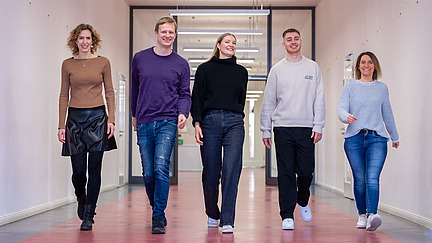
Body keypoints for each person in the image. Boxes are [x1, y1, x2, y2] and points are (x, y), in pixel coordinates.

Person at [260, 28, 325, 230]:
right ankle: (287, 214)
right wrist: (265, 129)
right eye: (289, 39)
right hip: (283, 127)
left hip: (306, 127)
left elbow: (319, 99)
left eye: (296, 38)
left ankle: (303, 200)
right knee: (286, 172)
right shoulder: (277, 70)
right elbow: (268, 101)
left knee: (306, 172)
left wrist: (319, 124)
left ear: (301, 41)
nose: (293, 42)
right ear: (283, 44)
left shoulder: (313, 68)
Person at [131, 16, 191, 234]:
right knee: (148, 173)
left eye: (171, 32)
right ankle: (156, 205)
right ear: (156, 33)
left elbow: (185, 94)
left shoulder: (181, 64)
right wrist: (134, 116)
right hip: (145, 121)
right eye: (164, 32)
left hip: (168, 120)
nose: (167, 36)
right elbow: (135, 90)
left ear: (175, 35)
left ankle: (158, 215)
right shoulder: (140, 58)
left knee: (160, 167)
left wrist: (183, 113)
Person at [57, 23, 117, 231]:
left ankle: (89, 214)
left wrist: (111, 120)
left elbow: (109, 91)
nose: (85, 42)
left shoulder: (103, 62)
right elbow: (64, 94)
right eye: (81, 38)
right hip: (74, 119)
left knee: (95, 169)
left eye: (88, 38)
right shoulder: (67, 64)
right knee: (79, 171)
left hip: (98, 118)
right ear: (75, 41)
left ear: (93, 41)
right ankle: (81, 196)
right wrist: (60, 125)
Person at [191, 33, 248, 234]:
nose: (231, 45)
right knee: (211, 172)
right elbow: (196, 98)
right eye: (228, 42)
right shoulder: (204, 70)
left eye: (234, 43)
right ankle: (212, 212)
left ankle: (227, 219)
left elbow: (241, 98)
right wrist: (197, 123)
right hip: (210, 121)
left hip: (234, 122)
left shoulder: (241, 72)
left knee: (232, 170)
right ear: (218, 45)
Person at [338, 51, 399, 231]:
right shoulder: (350, 88)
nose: (366, 65)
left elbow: (387, 113)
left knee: (372, 178)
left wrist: (394, 136)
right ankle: (361, 215)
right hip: (354, 139)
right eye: (363, 62)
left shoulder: (382, 88)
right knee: (360, 179)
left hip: (377, 139)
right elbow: (341, 107)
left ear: (375, 65)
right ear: (358, 66)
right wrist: (346, 117)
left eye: (370, 62)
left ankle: (372, 215)